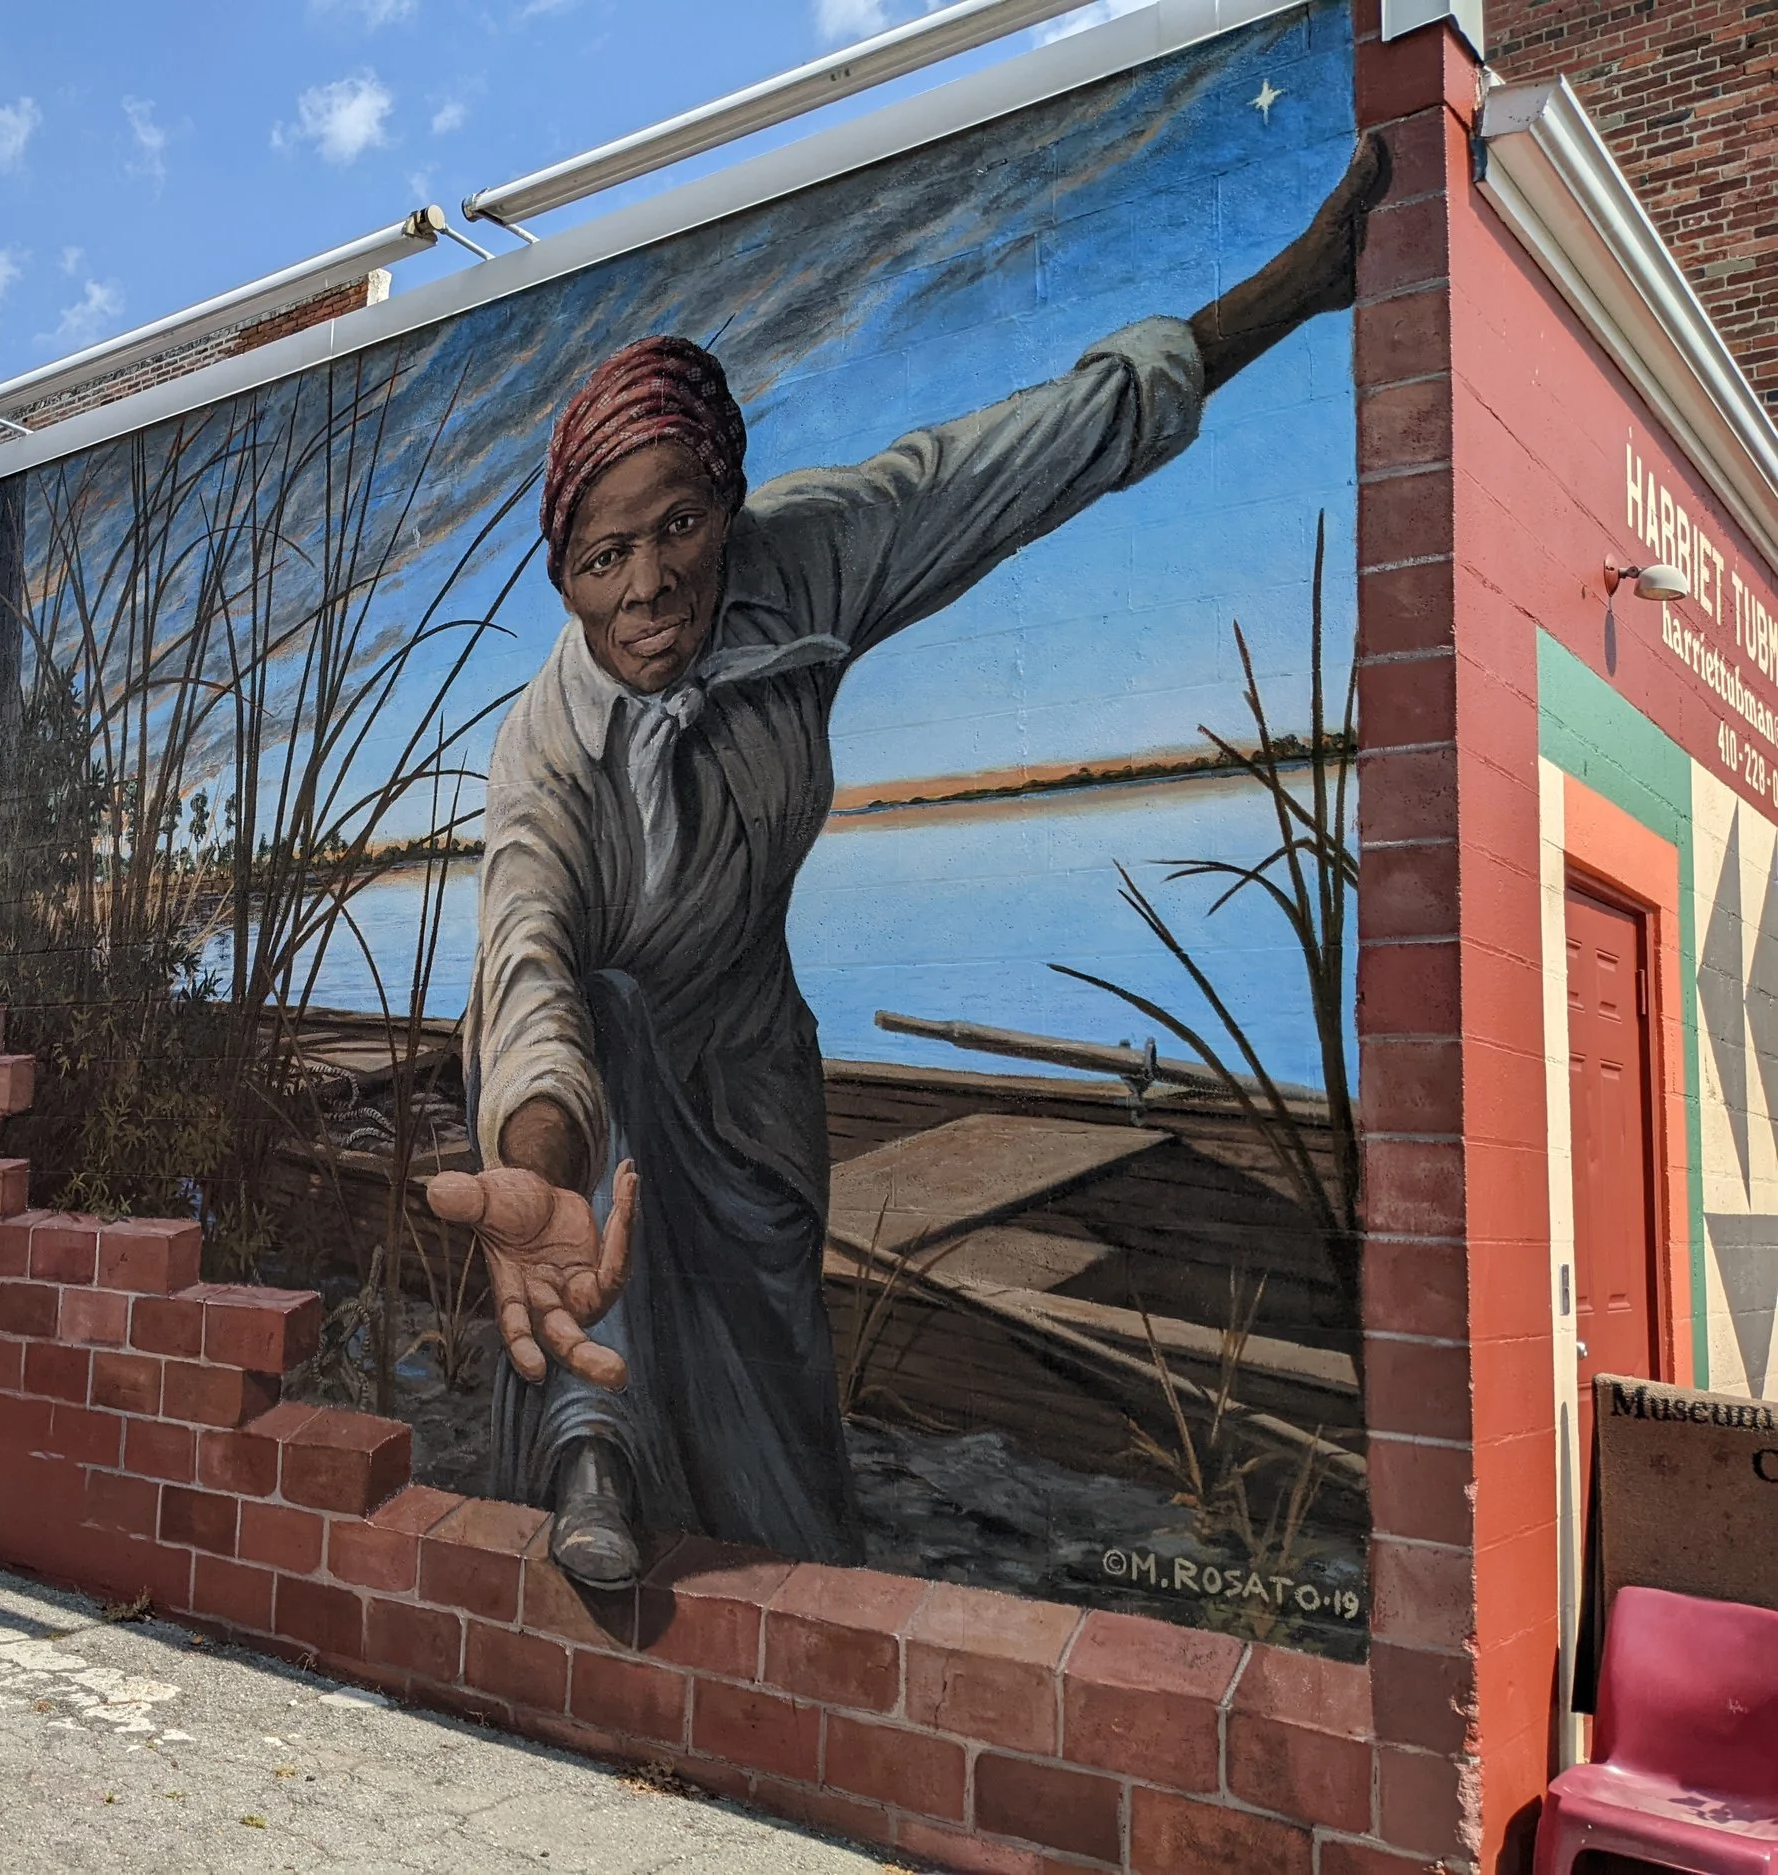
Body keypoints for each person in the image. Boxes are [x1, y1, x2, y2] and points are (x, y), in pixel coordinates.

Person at [423, 136, 1390, 1590]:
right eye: (604, 555)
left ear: (729, 509)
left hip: (752, 1070)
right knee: (602, 1057)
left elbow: (1042, 448)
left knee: (782, 1444)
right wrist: (540, 1165)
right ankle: (587, 1454)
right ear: (566, 572)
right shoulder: (543, 749)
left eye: (680, 526)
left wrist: (1295, 290)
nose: (649, 585)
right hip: (595, 1087)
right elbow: (530, 965)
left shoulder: (810, 556)